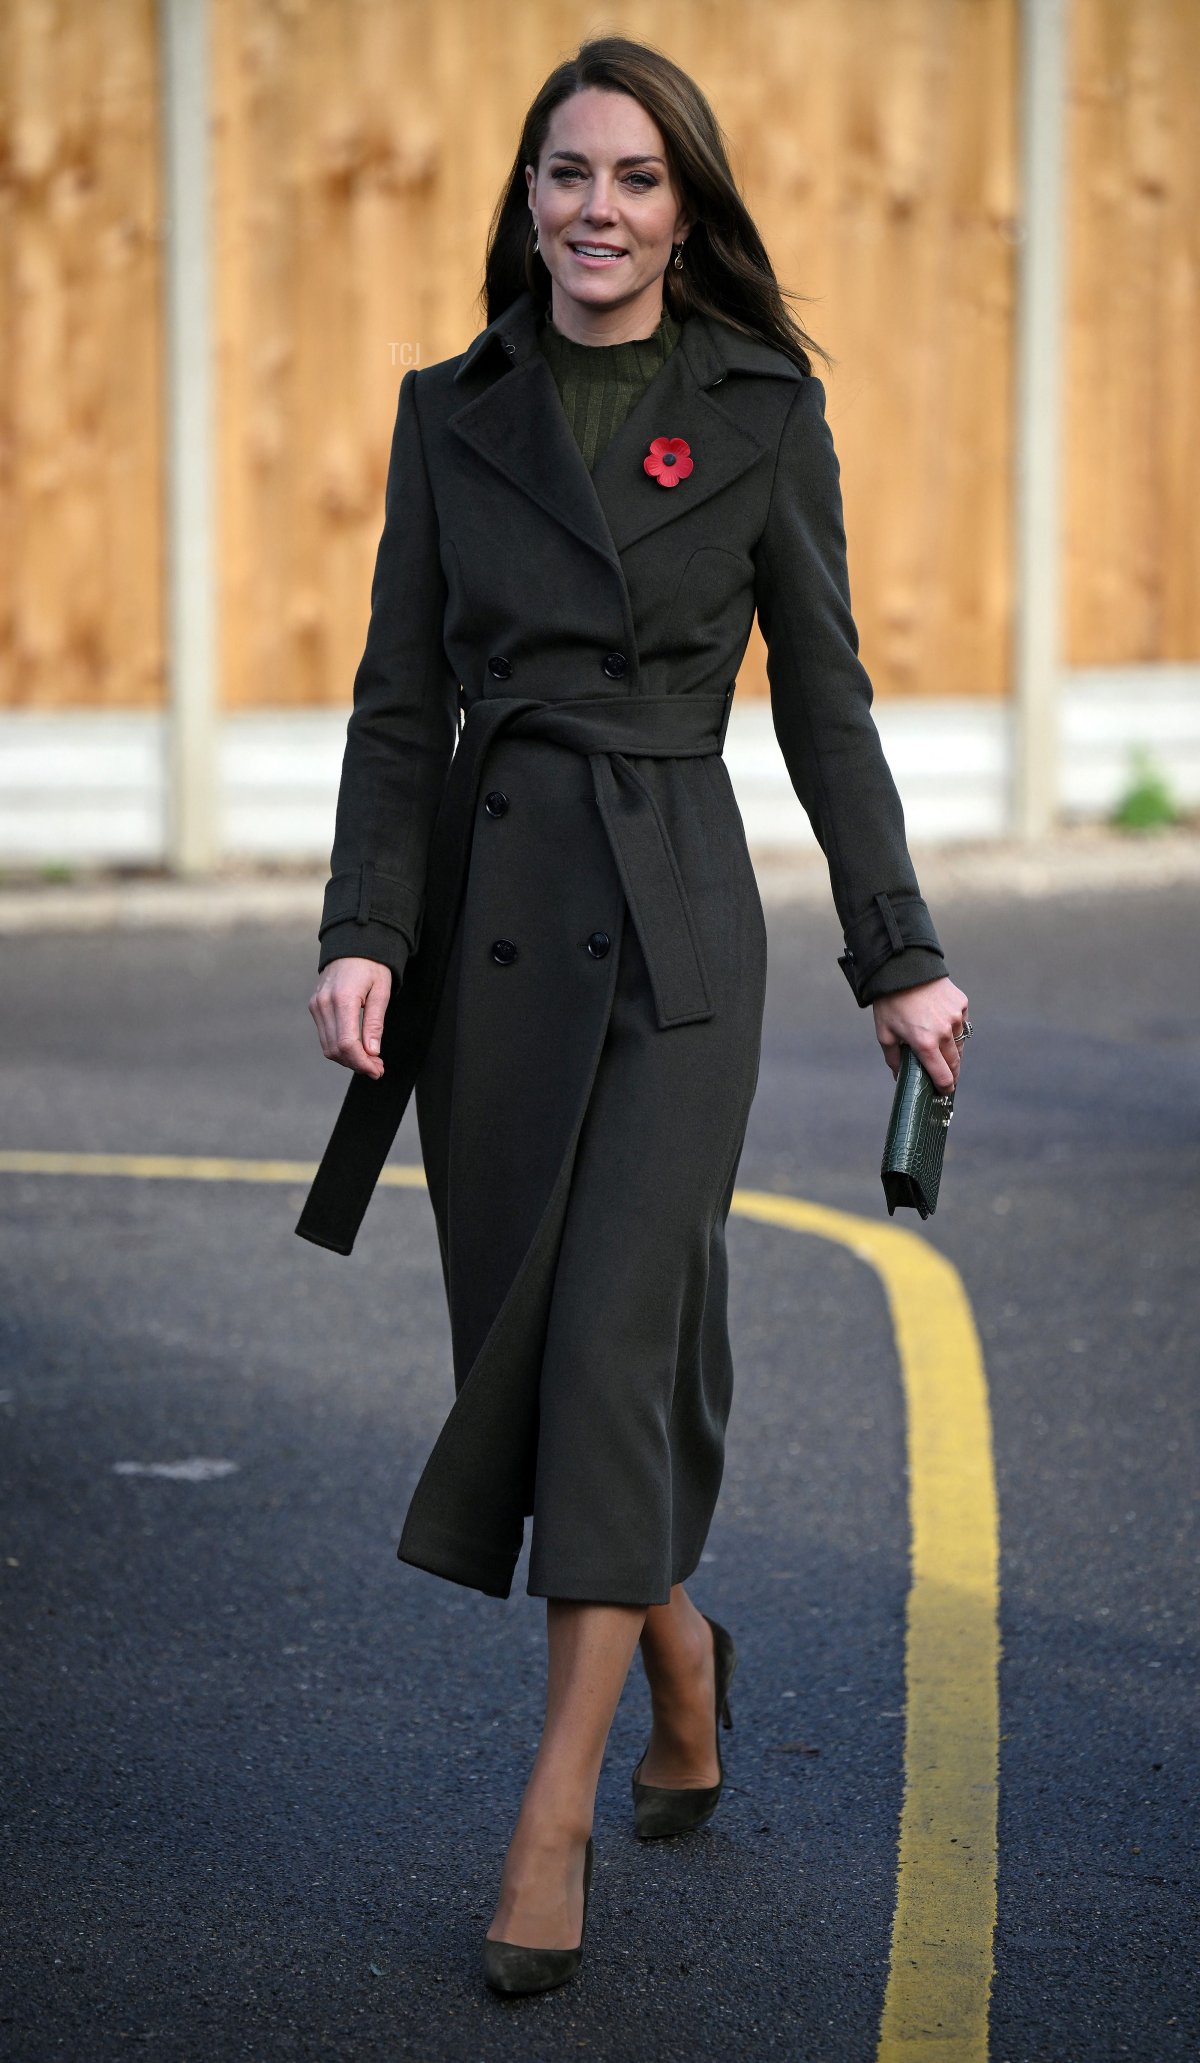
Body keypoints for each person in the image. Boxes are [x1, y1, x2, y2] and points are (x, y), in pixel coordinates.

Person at [301, 34, 970, 1997]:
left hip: (681, 928)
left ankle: (552, 1815)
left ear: (687, 209)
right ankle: (678, 1651)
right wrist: (366, 924)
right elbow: (397, 701)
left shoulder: (759, 409)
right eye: (565, 175)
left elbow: (827, 702)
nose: (596, 209)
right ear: (525, 199)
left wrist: (899, 950)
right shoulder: (456, 414)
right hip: (495, 932)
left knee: (607, 1345)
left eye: (636, 179)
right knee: (543, 1352)